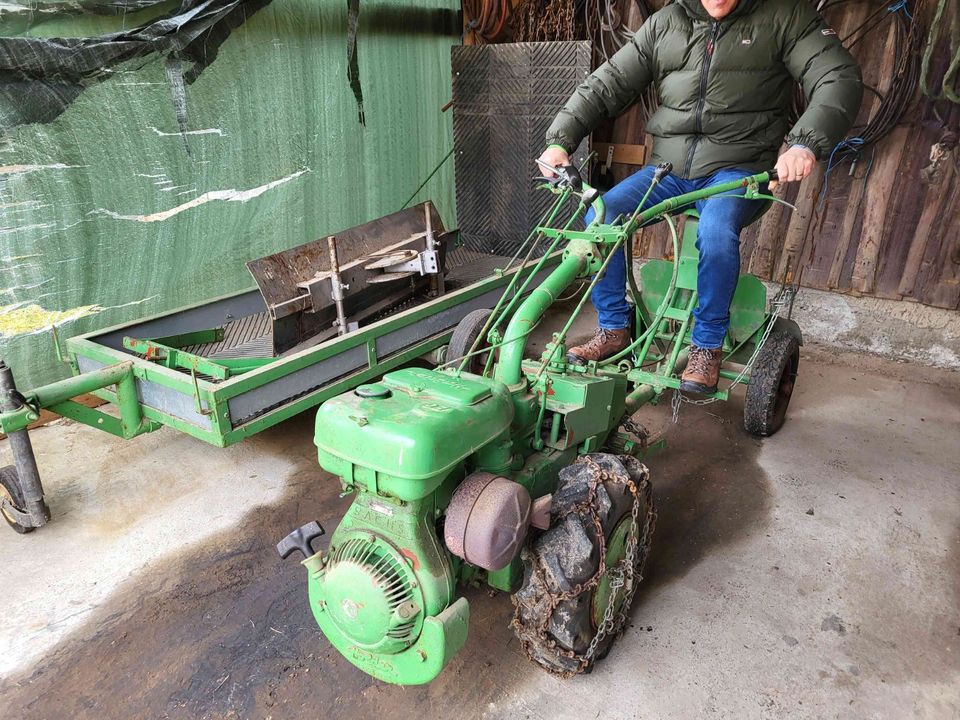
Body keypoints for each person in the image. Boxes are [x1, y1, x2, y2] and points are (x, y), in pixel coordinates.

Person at [539, 0, 861, 394]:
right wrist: (560, 141)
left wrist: (804, 144)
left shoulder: (785, 17)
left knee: (715, 231)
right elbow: (607, 83)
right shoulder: (665, 23)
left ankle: (706, 347)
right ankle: (614, 328)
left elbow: (837, 77)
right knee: (601, 218)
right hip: (668, 170)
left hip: (739, 168)